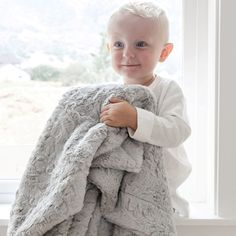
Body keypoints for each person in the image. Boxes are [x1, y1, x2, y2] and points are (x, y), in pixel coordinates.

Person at [100, 0, 192, 218]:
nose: (127, 53)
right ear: (108, 48)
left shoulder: (167, 89)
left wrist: (134, 118)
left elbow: (177, 130)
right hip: (121, 196)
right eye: (118, 44)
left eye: (140, 44)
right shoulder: (108, 95)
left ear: (164, 52)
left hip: (162, 195)